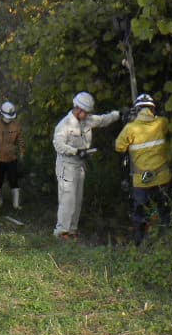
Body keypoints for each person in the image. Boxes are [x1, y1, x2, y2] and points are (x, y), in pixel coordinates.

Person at [51, 91, 120, 239]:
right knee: (67, 199)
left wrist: (118, 114)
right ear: (78, 109)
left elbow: (102, 120)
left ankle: (72, 230)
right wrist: (76, 151)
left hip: (79, 165)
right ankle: (61, 232)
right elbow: (58, 145)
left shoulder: (87, 120)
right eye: (86, 112)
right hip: (66, 165)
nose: (88, 115)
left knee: (77, 199)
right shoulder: (64, 125)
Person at [114, 92, 172, 244]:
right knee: (165, 210)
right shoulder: (162, 122)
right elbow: (167, 128)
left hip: (141, 181)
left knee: (140, 212)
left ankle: (140, 243)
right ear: (153, 110)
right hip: (162, 177)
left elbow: (119, 147)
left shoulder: (130, 128)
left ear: (136, 110)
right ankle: (170, 240)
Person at [0, 100, 26, 210]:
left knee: (14, 180)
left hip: (12, 158)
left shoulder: (17, 125)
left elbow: (21, 140)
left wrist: (22, 153)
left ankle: (16, 204)